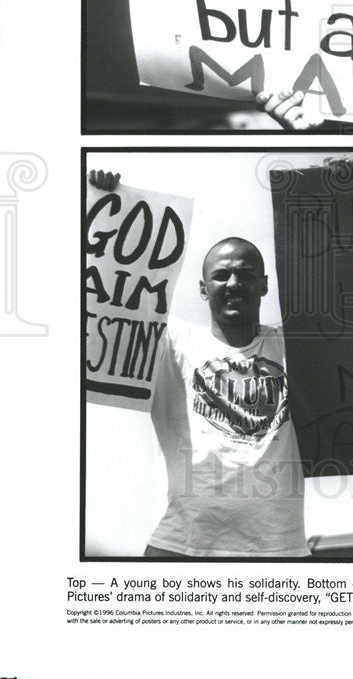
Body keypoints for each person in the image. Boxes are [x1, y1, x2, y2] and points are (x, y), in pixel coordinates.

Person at [87, 169, 308, 558]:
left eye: (246, 274)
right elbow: (102, 296)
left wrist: (341, 182)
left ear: (264, 285)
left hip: (278, 548)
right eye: (221, 275)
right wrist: (100, 208)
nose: (234, 283)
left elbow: (351, 293)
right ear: (203, 289)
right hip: (184, 545)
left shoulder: (295, 345)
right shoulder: (172, 345)